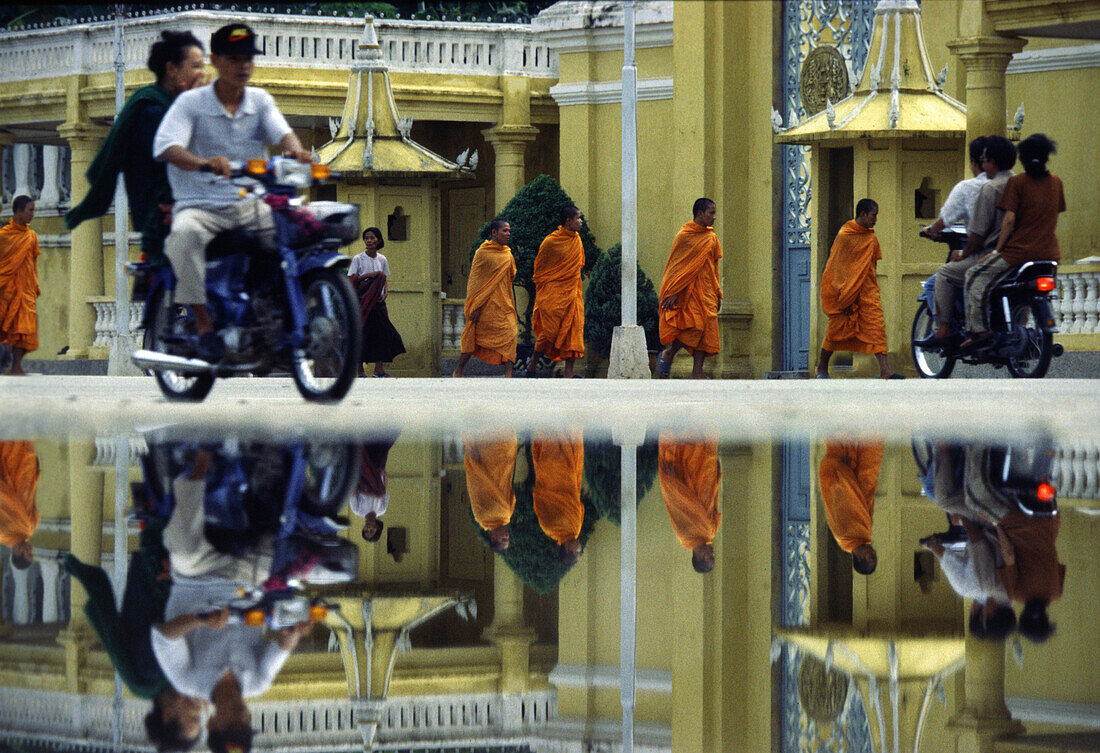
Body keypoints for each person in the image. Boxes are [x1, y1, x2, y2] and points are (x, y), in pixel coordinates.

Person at [153, 23, 312, 360]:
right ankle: (204, 325)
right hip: (199, 206)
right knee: (184, 237)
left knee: (299, 230)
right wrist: (203, 163)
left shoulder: (260, 100)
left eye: (249, 59)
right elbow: (167, 148)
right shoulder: (191, 104)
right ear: (215, 60)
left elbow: (284, 135)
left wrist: (296, 151)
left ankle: (275, 313)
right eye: (235, 58)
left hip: (250, 204)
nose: (244, 66)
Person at [66, 30, 206, 265]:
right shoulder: (154, 111)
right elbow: (172, 163)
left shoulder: (179, 108)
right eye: (195, 66)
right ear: (172, 69)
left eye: (203, 66)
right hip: (163, 211)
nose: (202, 74)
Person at [962, 133, 1065, 350]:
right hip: (1050, 254)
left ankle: (979, 330)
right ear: (1047, 157)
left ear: (1023, 159)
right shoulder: (1056, 182)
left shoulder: (1017, 182)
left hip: (1018, 253)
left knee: (973, 276)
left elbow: (1009, 220)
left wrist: (997, 251)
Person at [920, 136, 1017, 347]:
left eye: (983, 160)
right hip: (1021, 252)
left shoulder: (983, 189)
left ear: (983, 162)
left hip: (991, 252)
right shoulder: (1020, 183)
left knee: (944, 274)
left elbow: (975, 231)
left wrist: (961, 251)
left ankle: (946, 330)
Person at [815, 199, 902, 379]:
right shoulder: (845, 235)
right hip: (845, 292)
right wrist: (846, 296)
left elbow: (870, 267)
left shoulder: (870, 237)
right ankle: (821, 367)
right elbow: (837, 268)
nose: (875, 219)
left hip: (867, 291)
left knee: (877, 327)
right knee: (835, 330)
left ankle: (885, 370)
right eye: (873, 215)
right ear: (862, 214)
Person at [656, 198, 722, 379]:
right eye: (711, 213)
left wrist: (718, 293)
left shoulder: (711, 238)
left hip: (707, 289)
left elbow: (714, 267)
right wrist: (674, 291)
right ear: (700, 213)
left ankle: (697, 372)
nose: (714, 217)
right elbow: (676, 267)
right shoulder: (684, 236)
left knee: (705, 328)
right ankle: (669, 353)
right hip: (687, 291)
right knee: (693, 327)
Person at [524, 206, 586, 378]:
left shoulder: (577, 240)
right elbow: (539, 269)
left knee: (573, 329)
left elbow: (579, 265)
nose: (580, 221)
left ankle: (569, 372)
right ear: (568, 221)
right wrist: (545, 288)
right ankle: (532, 364)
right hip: (553, 293)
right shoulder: (551, 242)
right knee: (549, 332)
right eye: (578, 218)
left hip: (572, 292)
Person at [452, 219, 518, 377]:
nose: (508, 234)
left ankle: (509, 375)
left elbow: (510, 276)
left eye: (509, 231)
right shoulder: (482, 252)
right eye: (504, 231)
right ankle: (459, 369)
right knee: (475, 338)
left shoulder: (507, 253)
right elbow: (475, 281)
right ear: (494, 233)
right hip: (485, 305)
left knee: (510, 334)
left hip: (504, 303)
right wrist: (475, 306)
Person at [658, 434, 722, 574]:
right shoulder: (712, 532)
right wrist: (716, 475)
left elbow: (677, 503)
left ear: (699, 557)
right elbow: (714, 499)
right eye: (714, 556)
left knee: (684, 437)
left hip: (687, 477)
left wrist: (672, 482)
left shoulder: (684, 535)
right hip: (706, 470)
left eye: (709, 557)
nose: (712, 553)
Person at [818, 439, 883, 575]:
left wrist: (847, 475)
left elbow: (841, 495)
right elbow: (863, 500)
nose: (873, 551)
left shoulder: (844, 535)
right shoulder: (864, 535)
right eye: (875, 555)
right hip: (863, 472)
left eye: (870, 556)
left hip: (845, 466)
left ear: (859, 558)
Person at [348, 227, 406, 377]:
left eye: (372, 238)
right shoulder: (358, 259)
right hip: (363, 302)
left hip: (378, 303)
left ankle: (378, 369)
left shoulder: (382, 259)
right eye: (366, 238)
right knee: (363, 333)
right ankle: (359, 370)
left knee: (383, 333)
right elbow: (352, 280)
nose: (369, 241)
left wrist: (385, 292)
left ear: (378, 240)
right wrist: (371, 275)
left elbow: (384, 279)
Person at [0, 196, 40, 376]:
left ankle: (16, 367)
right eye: (29, 210)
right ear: (18, 211)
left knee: (23, 329)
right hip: (5, 288)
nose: (32, 214)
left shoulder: (31, 236)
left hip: (26, 289)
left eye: (33, 210)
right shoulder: (3, 236)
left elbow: (32, 262)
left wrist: (35, 284)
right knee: (5, 327)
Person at [531, 433, 585, 565]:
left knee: (550, 437)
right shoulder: (575, 530)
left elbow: (540, 497)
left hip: (551, 474)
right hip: (570, 474)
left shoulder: (549, 527)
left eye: (576, 552)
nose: (580, 549)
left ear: (567, 549)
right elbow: (578, 504)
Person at [922, 136, 990, 237]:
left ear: (973, 163)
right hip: (1011, 247)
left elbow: (945, 219)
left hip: (982, 248)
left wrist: (930, 230)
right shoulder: (1009, 182)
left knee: (957, 253)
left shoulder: (967, 187)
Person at [465, 435, 518, 552]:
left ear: (494, 537)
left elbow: (475, 487)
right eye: (508, 539)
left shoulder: (482, 516)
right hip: (504, 459)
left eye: (504, 539)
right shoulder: (507, 516)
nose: (507, 536)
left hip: (486, 459)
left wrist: (474, 462)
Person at [0, 440, 39, 570]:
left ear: (17, 553)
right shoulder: (30, 529)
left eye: (27, 554)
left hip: (6, 477)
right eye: (31, 553)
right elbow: (32, 498)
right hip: (25, 473)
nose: (30, 550)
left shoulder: (2, 533)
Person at [352, 436, 396, 543]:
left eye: (366, 530)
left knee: (370, 446)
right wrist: (384, 476)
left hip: (364, 473)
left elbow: (352, 490)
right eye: (371, 531)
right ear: (377, 528)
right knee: (384, 445)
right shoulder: (382, 509)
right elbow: (383, 490)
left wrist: (371, 493)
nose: (368, 528)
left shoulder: (357, 510)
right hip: (378, 471)